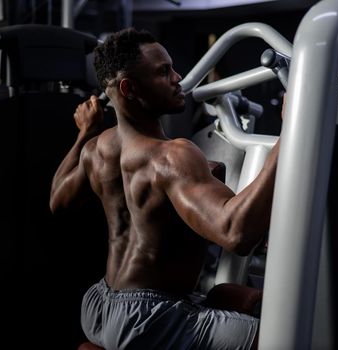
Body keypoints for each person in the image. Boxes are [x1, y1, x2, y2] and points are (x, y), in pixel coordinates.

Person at [50, 28, 280, 350]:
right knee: (282, 335)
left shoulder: (96, 148)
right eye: (163, 72)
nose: (178, 77)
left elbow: (56, 199)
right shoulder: (171, 156)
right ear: (129, 88)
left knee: (225, 295)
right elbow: (235, 232)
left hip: (99, 306)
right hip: (147, 319)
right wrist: (292, 131)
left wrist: (84, 132)